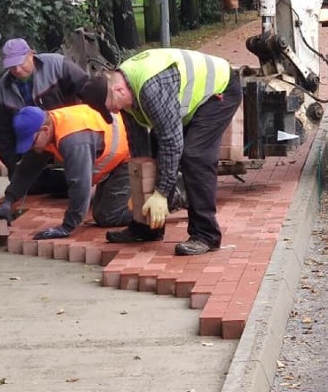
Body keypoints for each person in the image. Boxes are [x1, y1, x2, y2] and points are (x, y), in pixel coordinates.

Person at [83, 48, 242, 256]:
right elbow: (140, 149)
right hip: (186, 97)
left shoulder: (151, 89)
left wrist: (160, 194)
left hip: (219, 91)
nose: (113, 112)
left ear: (119, 91)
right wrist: (141, 193)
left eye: (111, 107)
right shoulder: (125, 89)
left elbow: (172, 141)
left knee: (195, 155)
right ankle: (148, 227)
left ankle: (206, 235)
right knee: (155, 149)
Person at [0, 104, 133, 239]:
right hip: (114, 157)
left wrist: (66, 227)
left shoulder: (73, 140)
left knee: (108, 216)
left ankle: (148, 217)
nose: (31, 147)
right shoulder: (48, 127)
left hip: (129, 155)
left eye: (31, 142)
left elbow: (80, 184)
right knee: (100, 212)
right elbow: (26, 170)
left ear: (45, 130)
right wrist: (7, 203)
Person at [0, 38, 90, 193]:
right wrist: (16, 170)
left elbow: (89, 91)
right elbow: (3, 135)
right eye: (12, 66)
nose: (17, 70)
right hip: (31, 146)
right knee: (34, 188)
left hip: (67, 137)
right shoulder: (1, 91)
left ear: (31, 55)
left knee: (76, 183)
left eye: (21, 63)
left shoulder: (58, 66)